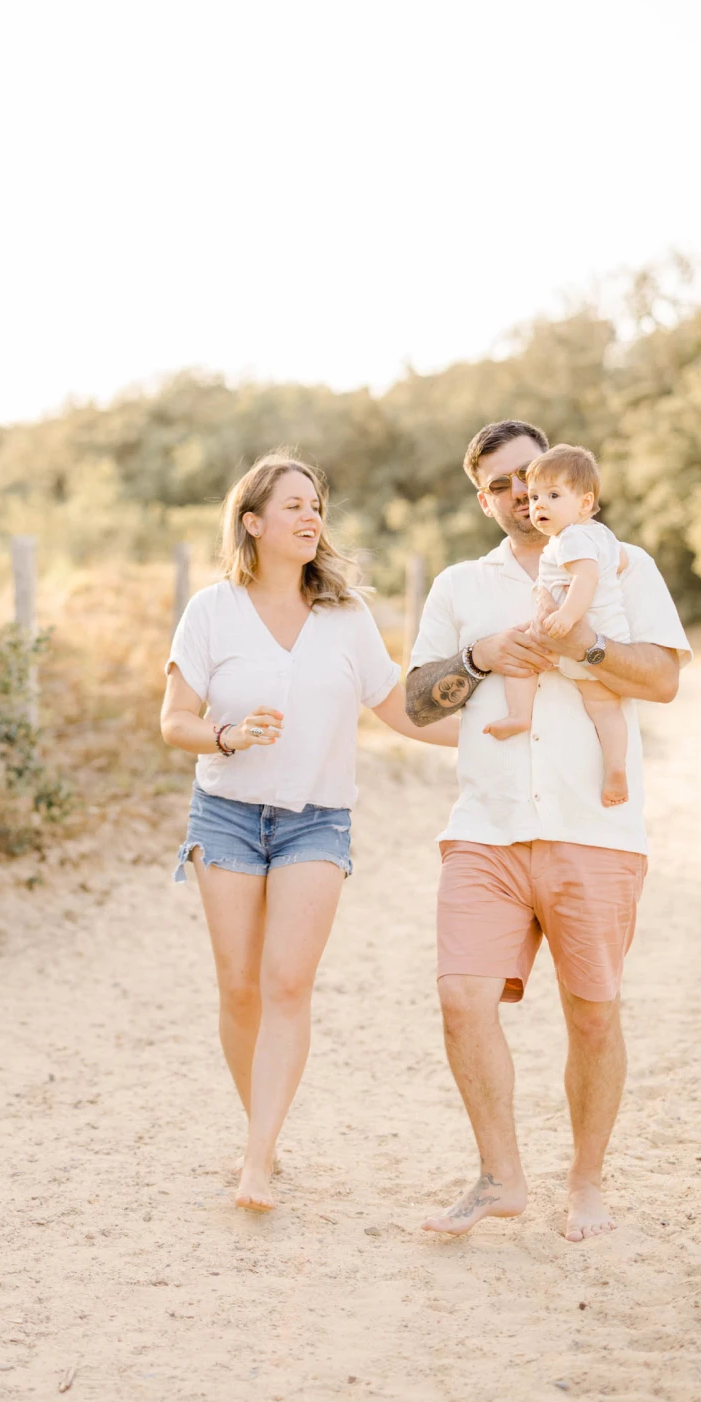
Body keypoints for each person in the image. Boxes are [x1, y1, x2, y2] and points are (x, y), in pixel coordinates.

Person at [405, 419, 691, 1242]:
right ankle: (500, 1178)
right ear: (485, 498)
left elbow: (665, 679)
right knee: (462, 1000)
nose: (520, 494)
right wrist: (483, 656)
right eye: (499, 485)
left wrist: (588, 643)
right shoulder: (461, 585)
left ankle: (588, 1183)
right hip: (485, 827)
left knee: (593, 1014)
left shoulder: (624, 564)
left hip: (593, 829)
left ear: (563, 480)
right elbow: (418, 698)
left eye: (531, 476)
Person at [161, 453, 458, 1213]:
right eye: (292, 504)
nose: (310, 516)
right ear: (251, 521)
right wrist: (227, 736)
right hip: (225, 815)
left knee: (287, 981)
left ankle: (257, 1160)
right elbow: (174, 723)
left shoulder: (346, 616)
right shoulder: (211, 610)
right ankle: (260, 1129)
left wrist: (488, 735)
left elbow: (399, 707)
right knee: (239, 988)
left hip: (317, 820)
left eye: (316, 504)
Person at [482, 444, 631, 808]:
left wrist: (566, 617)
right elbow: (620, 562)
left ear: (584, 504)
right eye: (534, 497)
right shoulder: (601, 535)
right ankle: (615, 767)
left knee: (521, 654)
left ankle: (519, 714)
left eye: (552, 495)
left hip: (570, 630)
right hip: (609, 636)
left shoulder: (571, 538)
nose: (539, 505)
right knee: (605, 708)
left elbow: (585, 579)